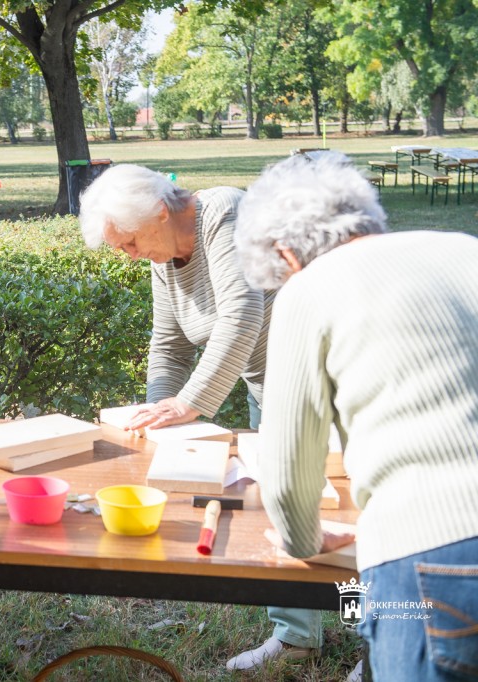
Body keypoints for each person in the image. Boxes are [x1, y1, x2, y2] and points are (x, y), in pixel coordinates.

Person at [235, 152, 478, 681]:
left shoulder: (309, 288)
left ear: (286, 252)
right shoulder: (467, 248)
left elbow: (287, 470)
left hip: (430, 559)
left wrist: (305, 541)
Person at [79, 164, 326, 671]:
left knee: (351, 515)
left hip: (328, 374)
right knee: (283, 504)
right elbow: (169, 343)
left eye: (130, 243)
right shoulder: (163, 252)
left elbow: (242, 315)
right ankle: (296, 635)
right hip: (273, 381)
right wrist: (156, 416)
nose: (130, 256)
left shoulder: (226, 214)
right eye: (121, 249)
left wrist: (187, 403)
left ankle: (382, 645)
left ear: (159, 212)